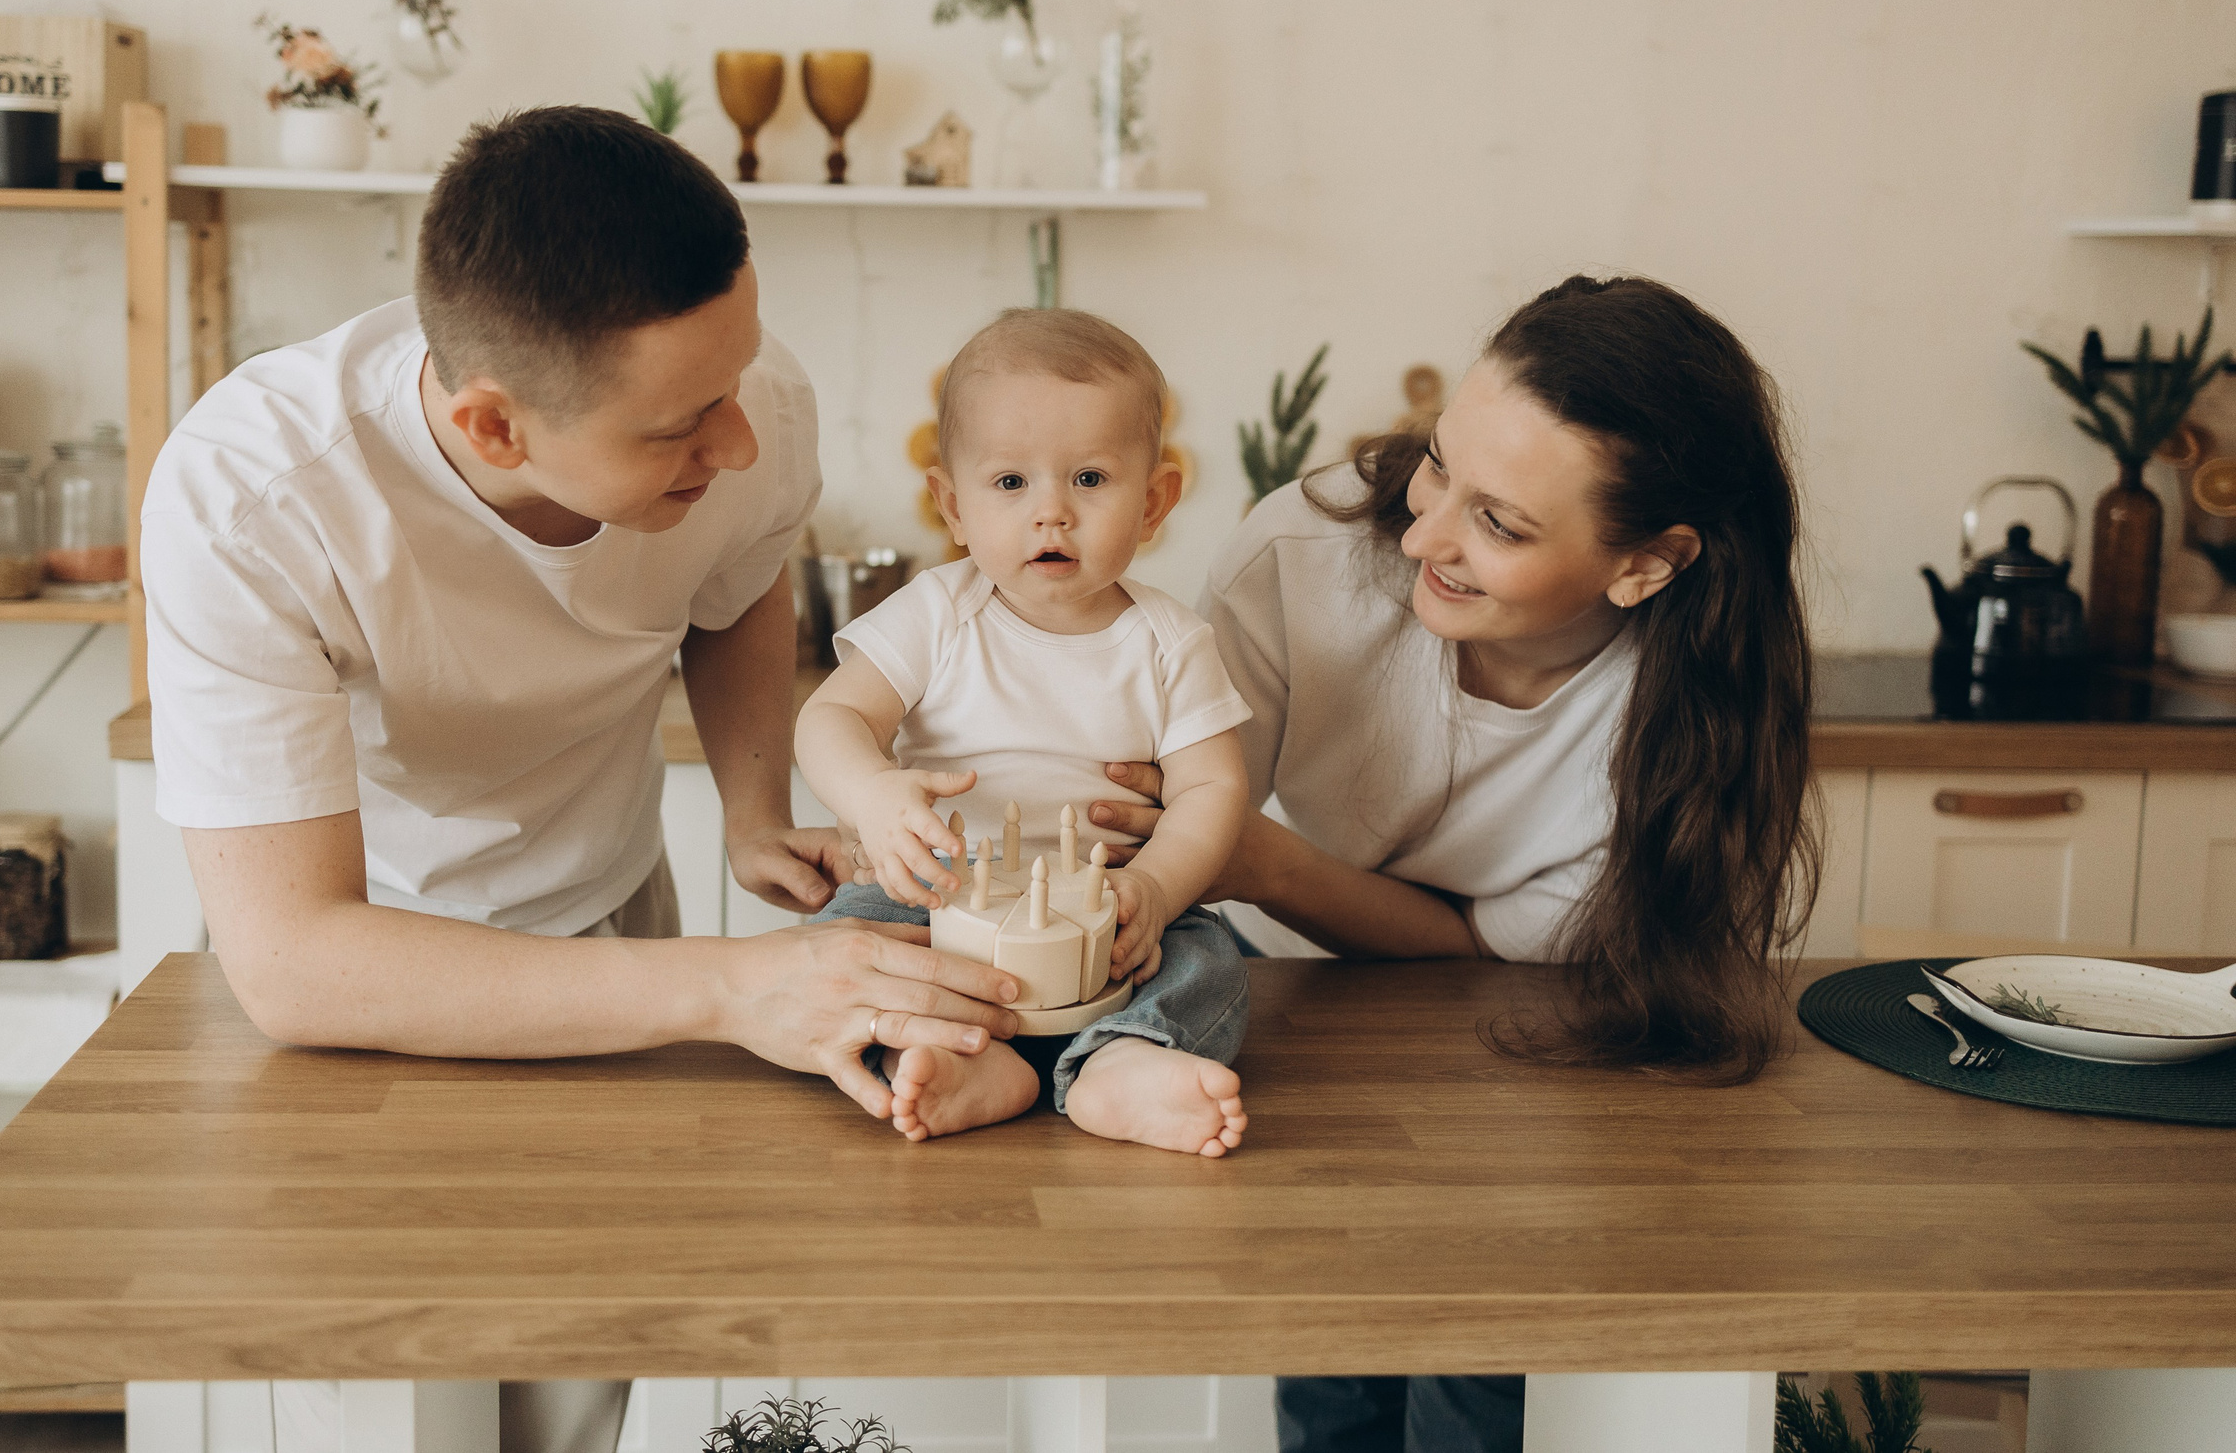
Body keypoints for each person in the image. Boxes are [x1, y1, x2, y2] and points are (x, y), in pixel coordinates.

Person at [140, 106, 1022, 1453]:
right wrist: (738, 985)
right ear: (493, 423)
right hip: (360, 982)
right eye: (681, 427)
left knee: (590, 1394)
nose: (737, 441)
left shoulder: (747, 398)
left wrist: (748, 806)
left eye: (737, 385)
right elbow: (293, 960)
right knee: (382, 1401)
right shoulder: (252, 492)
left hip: (620, 925)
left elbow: (734, 589)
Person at [1087, 276, 1819, 1453]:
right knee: (1333, 1373)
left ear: (1647, 565)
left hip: (1538, 1056)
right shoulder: (1305, 555)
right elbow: (1190, 822)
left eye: (1502, 524)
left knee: (1478, 1385)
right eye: (1439, 466)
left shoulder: (1687, 722)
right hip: (1295, 1027)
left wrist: (1265, 863)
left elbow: (1504, 948)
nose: (1425, 534)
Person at [795, 309, 1254, 1154]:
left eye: (1088, 479)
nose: (1052, 513)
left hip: (1108, 907)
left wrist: (1155, 887)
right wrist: (874, 796)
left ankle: (1119, 1060)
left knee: (1208, 955)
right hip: (941, 894)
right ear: (952, 504)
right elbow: (831, 716)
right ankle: (961, 1058)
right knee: (845, 941)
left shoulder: (1172, 641)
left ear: (1155, 502)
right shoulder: (936, 612)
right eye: (1010, 484)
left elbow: (1213, 788)